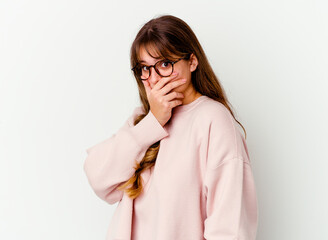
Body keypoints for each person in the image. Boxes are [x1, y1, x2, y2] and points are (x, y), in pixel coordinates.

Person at [83, 14, 258, 240]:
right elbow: (98, 178)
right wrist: (153, 122)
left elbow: (229, 228)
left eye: (165, 64)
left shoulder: (213, 120)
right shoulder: (142, 121)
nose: (154, 79)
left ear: (192, 61)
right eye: (144, 68)